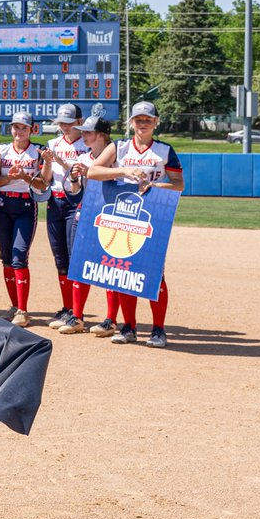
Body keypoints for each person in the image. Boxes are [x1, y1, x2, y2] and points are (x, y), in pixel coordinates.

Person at [84, 101, 184, 347]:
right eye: (139, 119)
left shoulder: (164, 150)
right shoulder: (119, 147)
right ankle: (129, 327)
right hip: (121, 213)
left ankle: (158, 330)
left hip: (151, 214)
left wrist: (155, 185)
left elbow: (178, 184)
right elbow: (93, 171)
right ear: (131, 122)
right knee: (123, 271)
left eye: (148, 119)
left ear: (156, 122)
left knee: (154, 273)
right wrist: (122, 171)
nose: (143, 123)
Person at [0, 112, 49, 326]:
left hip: (26, 205)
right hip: (3, 205)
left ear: (32, 129)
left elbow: (43, 184)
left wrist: (24, 177)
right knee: (6, 257)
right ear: (11, 128)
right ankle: (15, 306)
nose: (19, 131)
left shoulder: (38, 151)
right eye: (16, 127)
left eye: (24, 127)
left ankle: (23, 310)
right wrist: (10, 177)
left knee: (19, 256)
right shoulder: (1, 150)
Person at [57, 115, 114, 334]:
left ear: (102, 135)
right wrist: (73, 178)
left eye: (88, 132)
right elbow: (75, 192)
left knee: (110, 266)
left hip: (109, 214)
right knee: (78, 265)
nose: (84, 135)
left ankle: (111, 320)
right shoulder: (83, 157)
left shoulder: (115, 157)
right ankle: (77, 317)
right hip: (85, 212)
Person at [41, 103, 89, 328]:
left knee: (74, 256)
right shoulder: (53, 143)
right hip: (55, 200)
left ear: (80, 121)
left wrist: (59, 161)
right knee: (60, 258)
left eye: (69, 123)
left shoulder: (86, 143)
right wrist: (47, 162)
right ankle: (67, 307)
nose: (65, 127)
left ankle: (77, 312)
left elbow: (81, 170)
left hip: (77, 200)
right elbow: (46, 178)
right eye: (61, 123)